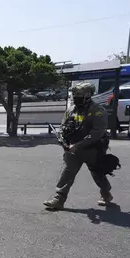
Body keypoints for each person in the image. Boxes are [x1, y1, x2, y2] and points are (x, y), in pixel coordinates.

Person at [44, 82, 113, 210]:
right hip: (72, 150)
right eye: (75, 94)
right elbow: (63, 127)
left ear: (88, 94)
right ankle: (58, 198)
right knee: (68, 172)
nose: (76, 96)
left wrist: (79, 145)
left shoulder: (98, 110)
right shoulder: (71, 109)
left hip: (92, 149)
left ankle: (106, 193)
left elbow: (97, 132)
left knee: (97, 173)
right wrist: (63, 140)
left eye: (79, 94)